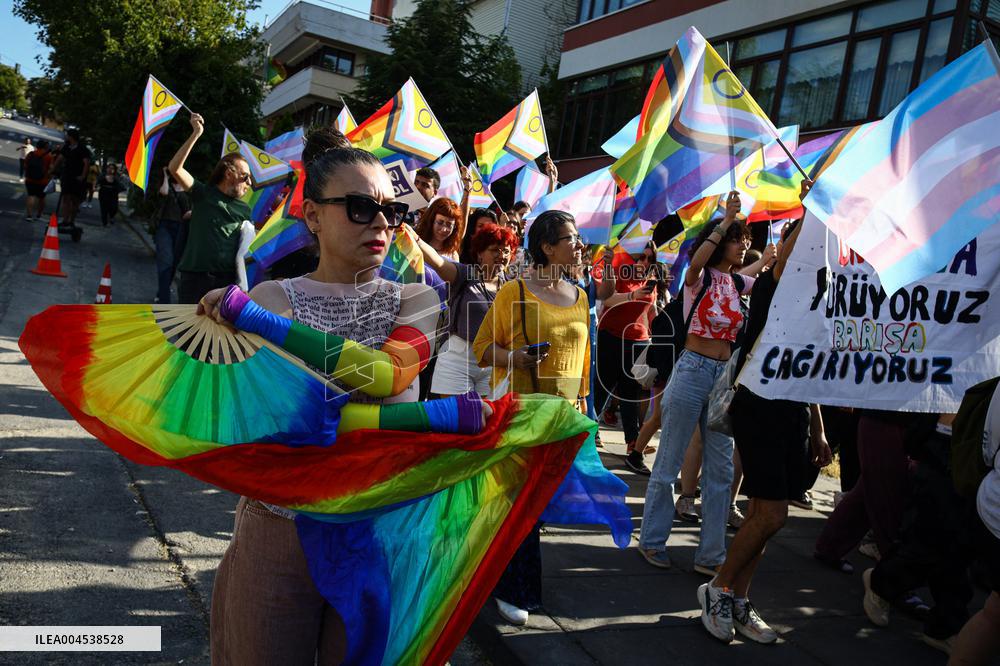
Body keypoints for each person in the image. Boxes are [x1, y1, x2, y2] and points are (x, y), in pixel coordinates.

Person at [198, 136, 451, 664]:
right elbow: (253, 424)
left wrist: (257, 322)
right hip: (280, 529)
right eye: (361, 208)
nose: (381, 223)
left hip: (382, 528)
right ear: (312, 215)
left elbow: (389, 373)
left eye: (392, 210)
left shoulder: (418, 298)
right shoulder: (271, 297)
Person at [698, 190, 834, 645]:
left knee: (761, 513)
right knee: (773, 516)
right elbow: (800, 240)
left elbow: (810, 366)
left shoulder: (822, 298)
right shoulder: (778, 281)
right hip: (758, 404)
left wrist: (817, 429)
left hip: (793, 410)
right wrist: (820, 204)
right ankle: (717, 587)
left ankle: (739, 596)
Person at [473, 209, 591, 626]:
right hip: (522, 412)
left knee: (536, 504)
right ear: (547, 247)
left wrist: (580, 409)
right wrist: (517, 357)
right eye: (571, 238)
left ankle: (506, 579)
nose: (578, 245)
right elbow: (483, 347)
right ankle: (511, 588)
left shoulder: (580, 295)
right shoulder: (515, 292)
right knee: (519, 503)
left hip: (561, 418)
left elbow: (581, 363)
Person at [637, 191, 753, 577]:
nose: (744, 246)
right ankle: (652, 541)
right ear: (720, 241)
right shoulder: (696, 278)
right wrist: (725, 220)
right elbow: (697, 259)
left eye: (745, 240)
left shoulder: (739, 284)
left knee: (720, 470)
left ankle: (712, 555)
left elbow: (775, 268)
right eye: (740, 240)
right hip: (690, 370)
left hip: (723, 380)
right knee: (668, 459)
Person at [413, 222, 518, 397]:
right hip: (457, 359)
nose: (502, 255)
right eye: (495, 250)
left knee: (488, 421)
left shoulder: (511, 286)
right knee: (458, 420)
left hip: (493, 362)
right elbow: (439, 263)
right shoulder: (464, 274)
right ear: (479, 254)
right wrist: (416, 239)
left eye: (506, 251)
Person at [168, 112, 253, 304]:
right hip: (195, 279)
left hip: (226, 283)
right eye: (245, 176)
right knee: (189, 334)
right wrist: (196, 133)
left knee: (216, 335)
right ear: (229, 172)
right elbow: (175, 169)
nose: (249, 182)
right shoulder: (203, 193)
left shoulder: (245, 209)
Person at [594, 243, 657, 473]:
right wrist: (631, 295)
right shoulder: (619, 271)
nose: (644, 263)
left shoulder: (650, 279)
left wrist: (656, 333)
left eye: (650, 259)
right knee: (602, 390)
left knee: (630, 396)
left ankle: (633, 448)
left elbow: (650, 310)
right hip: (611, 338)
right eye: (641, 257)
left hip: (638, 342)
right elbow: (606, 299)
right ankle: (588, 437)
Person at [154, 167, 192, 303]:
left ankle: (162, 291)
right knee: (166, 260)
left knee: (174, 262)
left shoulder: (188, 189)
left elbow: (190, 211)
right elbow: (163, 192)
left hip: (181, 228)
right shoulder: (167, 186)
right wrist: (165, 175)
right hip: (165, 226)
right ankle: (164, 300)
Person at [51, 129, 92, 231]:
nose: (66, 137)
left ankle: (71, 221)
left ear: (71, 137)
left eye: (67, 135)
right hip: (67, 176)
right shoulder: (67, 147)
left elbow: (86, 163)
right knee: (66, 198)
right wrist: (52, 170)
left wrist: (82, 176)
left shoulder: (82, 149)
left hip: (77, 178)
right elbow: (60, 159)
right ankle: (65, 220)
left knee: (75, 200)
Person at [413, 197, 464, 261]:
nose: (444, 229)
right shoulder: (414, 244)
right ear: (431, 220)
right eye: (440, 222)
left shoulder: (453, 255)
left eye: (449, 225)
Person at [23, 139, 53, 221]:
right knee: (41, 198)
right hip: (42, 181)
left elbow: (25, 166)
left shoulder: (31, 154)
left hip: (30, 179)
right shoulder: (49, 156)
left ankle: (29, 215)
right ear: (45, 147)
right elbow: (51, 168)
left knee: (31, 196)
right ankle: (38, 215)